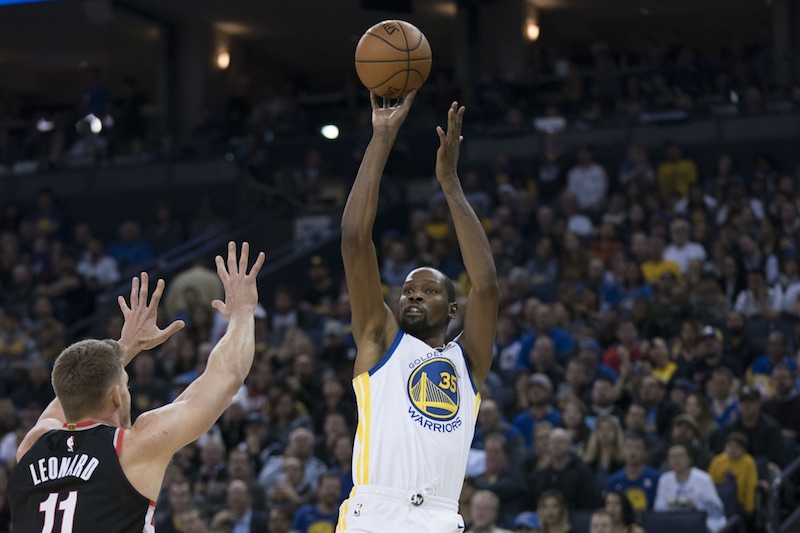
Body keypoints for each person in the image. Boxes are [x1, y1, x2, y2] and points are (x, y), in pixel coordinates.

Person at [9, 242, 265, 532]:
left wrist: (122, 350)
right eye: (125, 383)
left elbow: (71, 389)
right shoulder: (131, 449)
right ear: (117, 396)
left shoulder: (32, 445)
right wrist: (244, 310)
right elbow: (227, 376)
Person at [336, 92, 499, 533]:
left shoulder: (468, 363)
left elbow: (486, 287)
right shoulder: (379, 340)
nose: (413, 296)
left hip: (441, 517)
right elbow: (354, 238)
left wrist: (450, 184)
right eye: (407, 290)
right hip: (376, 513)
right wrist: (382, 138)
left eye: (428, 291)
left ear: (452, 308)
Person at [653, 443, 726, 533]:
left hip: (701, 525)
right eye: (673, 457)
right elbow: (658, 509)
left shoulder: (703, 479)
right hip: (673, 524)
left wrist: (697, 506)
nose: (676, 460)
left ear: (689, 459)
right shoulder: (664, 479)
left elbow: (717, 510)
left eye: (681, 456)